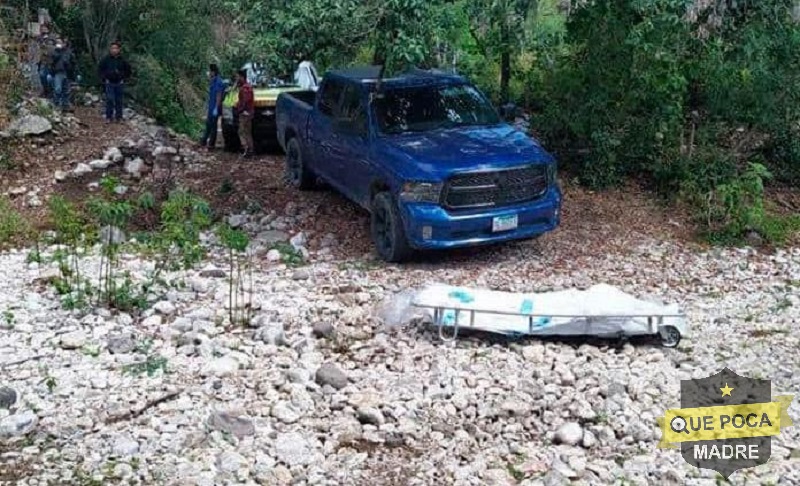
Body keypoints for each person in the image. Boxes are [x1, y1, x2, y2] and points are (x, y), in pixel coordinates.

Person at [98, 41, 131, 123]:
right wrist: (104, 78)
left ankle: (119, 117)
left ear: (119, 49)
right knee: (110, 99)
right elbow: (100, 69)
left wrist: (123, 78)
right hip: (109, 82)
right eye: (112, 48)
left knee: (119, 100)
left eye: (116, 48)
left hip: (119, 82)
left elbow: (128, 70)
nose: (114, 50)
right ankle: (108, 117)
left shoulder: (122, 60)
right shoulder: (106, 59)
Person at [200, 63, 226, 150]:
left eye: (210, 71)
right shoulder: (213, 81)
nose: (209, 73)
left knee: (213, 126)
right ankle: (203, 141)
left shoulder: (218, 82)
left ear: (213, 72)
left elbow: (219, 96)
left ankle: (211, 144)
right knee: (208, 124)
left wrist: (216, 107)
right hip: (211, 106)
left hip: (215, 106)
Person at [234, 69, 255, 157]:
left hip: (244, 113)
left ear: (242, 77)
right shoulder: (248, 87)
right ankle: (250, 149)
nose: (237, 78)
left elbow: (244, 101)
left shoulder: (245, 88)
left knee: (241, 132)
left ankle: (246, 149)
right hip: (249, 112)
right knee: (247, 132)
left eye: (238, 77)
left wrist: (239, 109)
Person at [51, 39, 74, 110]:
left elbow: (72, 62)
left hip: (67, 72)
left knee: (66, 90)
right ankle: (56, 103)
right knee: (58, 89)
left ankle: (65, 104)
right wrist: (59, 51)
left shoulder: (68, 52)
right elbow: (53, 60)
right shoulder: (55, 51)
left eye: (62, 43)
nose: (61, 44)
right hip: (58, 72)